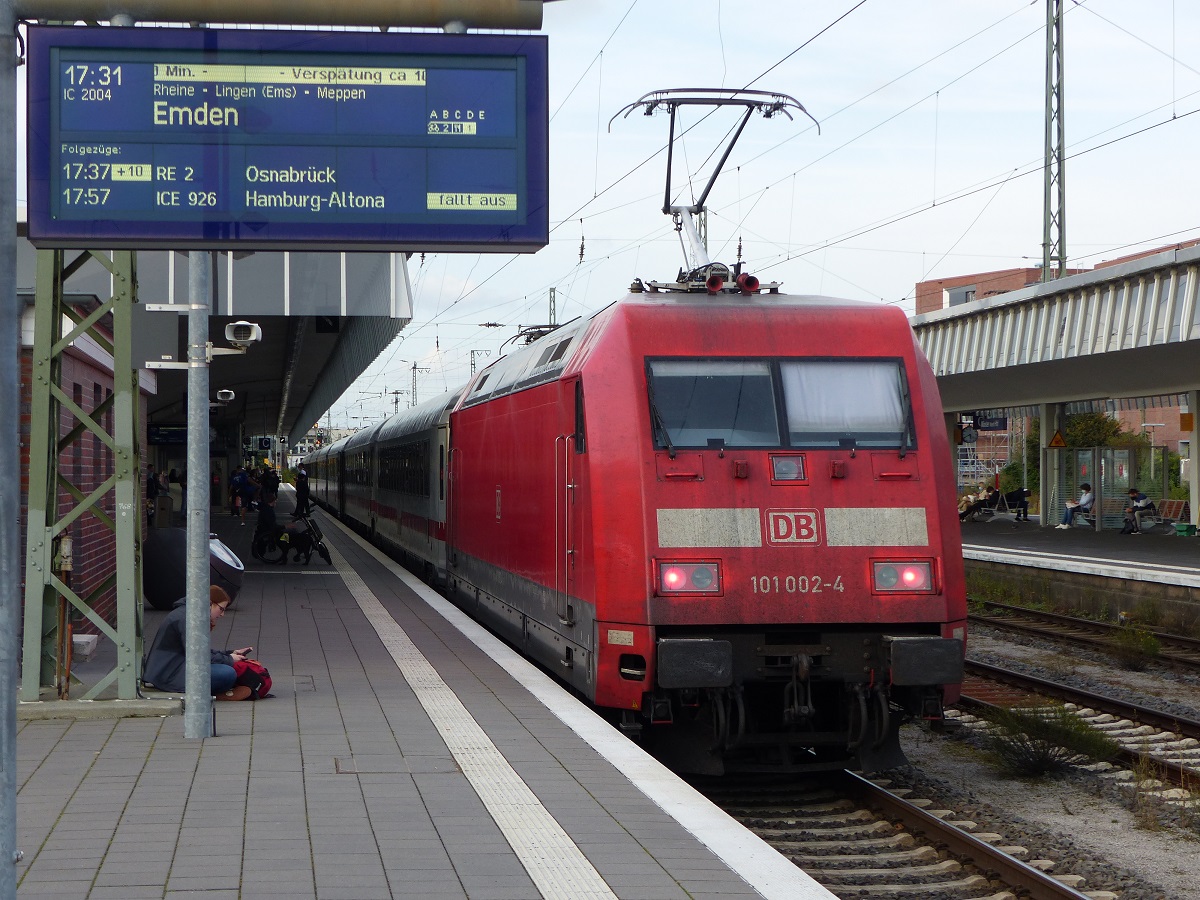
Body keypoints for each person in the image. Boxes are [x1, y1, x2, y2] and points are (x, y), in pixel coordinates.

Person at [142, 586, 255, 701]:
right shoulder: (189, 619)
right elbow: (199, 655)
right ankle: (217, 695)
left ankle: (220, 692)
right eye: (221, 609)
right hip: (170, 675)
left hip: (172, 670)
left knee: (227, 669)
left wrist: (229, 654)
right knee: (228, 673)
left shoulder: (187, 613)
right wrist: (229, 659)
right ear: (210, 603)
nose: (222, 614)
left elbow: (201, 651)